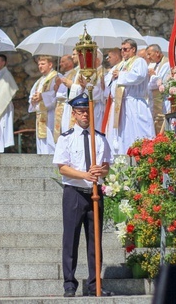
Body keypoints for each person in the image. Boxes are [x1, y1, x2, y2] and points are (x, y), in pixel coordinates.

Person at [53, 93, 113, 298]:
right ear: (74, 114)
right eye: (80, 112)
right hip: (74, 192)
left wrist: (100, 172)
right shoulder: (66, 138)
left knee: (95, 240)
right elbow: (63, 168)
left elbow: (106, 167)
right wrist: (85, 174)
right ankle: (69, 284)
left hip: (94, 193)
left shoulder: (100, 138)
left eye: (87, 112)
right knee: (71, 239)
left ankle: (94, 283)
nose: (84, 115)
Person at [107, 39, 154, 154]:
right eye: (121, 49)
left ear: (133, 49)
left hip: (134, 103)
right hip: (120, 103)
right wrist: (112, 77)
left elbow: (139, 76)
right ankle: (121, 155)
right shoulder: (121, 64)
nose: (122, 52)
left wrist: (120, 75)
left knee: (135, 133)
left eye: (125, 49)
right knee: (121, 134)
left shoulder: (139, 61)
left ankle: (139, 154)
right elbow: (107, 78)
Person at [59, 51, 106, 136]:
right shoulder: (86, 72)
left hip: (96, 109)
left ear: (97, 60)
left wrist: (73, 86)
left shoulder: (102, 73)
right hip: (84, 107)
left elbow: (97, 93)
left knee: (94, 134)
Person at [28, 56, 59, 155]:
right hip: (40, 114)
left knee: (50, 140)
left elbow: (58, 95)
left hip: (51, 114)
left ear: (50, 65)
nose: (40, 66)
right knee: (41, 142)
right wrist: (33, 99)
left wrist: (42, 96)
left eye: (43, 64)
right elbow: (32, 93)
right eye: (39, 64)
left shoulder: (56, 77)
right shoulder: (40, 80)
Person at [0, 54, 18, 149]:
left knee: (3, 125)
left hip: (4, 103)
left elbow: (9, 89)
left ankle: (2, 146)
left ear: (4, 62)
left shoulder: (6, 74)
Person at [145, 44, 171, 135]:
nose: (148, 57)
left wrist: (152, 75)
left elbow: (158, 83)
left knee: (163, 127)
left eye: (149, 54)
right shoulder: (155, 65)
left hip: (164, 101)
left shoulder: (167, 64)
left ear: (157, 53)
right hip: (154, 101)